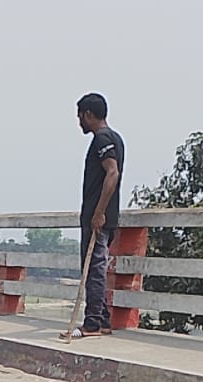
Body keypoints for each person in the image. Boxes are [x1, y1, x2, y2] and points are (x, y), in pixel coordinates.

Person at [63, 93, 125, 339]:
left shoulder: (103, 139)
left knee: (94, 270)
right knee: (94, 268)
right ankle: (104, 320)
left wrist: (99, 213)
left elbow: (112, 173)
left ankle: (92, 323)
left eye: (80, 116)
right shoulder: (115, 138)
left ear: (88, 114)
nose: (79, 122)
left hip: (98, 217)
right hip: (103, 215)